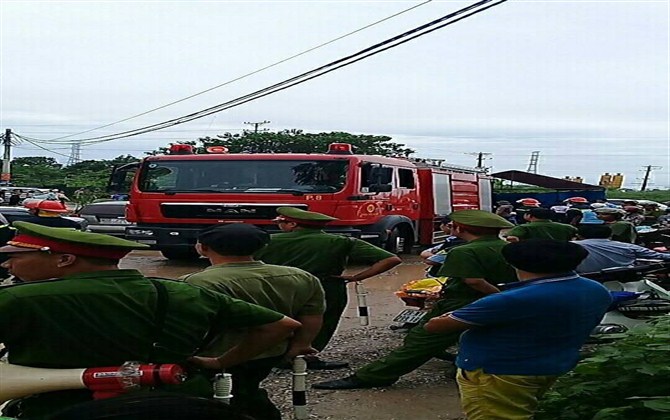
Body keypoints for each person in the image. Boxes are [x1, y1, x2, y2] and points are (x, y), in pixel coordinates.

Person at [0, 222, 301, 418]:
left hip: (64, 408)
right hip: (177, 406)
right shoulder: (181, 291)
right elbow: (281, 325)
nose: (7, 263)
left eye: (15, 256)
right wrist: (220, 362)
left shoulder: (17, 298)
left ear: (65, 259)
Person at [313, 210, 517, 390]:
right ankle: (462, 364)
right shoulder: (508, 248)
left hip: (463, 303)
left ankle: (373, 376)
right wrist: (505, 299)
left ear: (461, 228)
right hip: (497, 301)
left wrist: (497, 297)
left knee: (420, 340)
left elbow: (473, 280)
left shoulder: (464, 251)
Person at [424, 239, 612, 420]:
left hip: (499, 371)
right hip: (553, 364)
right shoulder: (596, 289)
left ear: (516, 264)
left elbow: (435, 326)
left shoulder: (512, 300)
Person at [181, 223, 325, 420]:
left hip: (216, 356)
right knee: (247, 390)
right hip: (272, 353)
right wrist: (301, 345)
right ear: (261, 247)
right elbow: (312, 315)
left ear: (203, 248)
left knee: (222, 398)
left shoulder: (197, 282)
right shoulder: (300, 276)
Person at [255, 207, 402, 369]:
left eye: (280, 222)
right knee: (322, 322)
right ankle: (305, 357)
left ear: (292, 224)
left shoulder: (268, 241)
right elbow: (391, 259)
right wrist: (357, 277)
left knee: (279, 319)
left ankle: (273, 355)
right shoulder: (341, 241)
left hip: (278, 287)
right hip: (327, 287)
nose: (278, 225)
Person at [574, 224, 670, 273]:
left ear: (580, 236)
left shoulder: (569, 246)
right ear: (610, 235)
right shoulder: (628, 246)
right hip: (625, 276)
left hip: (585, 276)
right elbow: (658, 256)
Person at [504, 207, 577, 242]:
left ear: (529, 216)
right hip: (561, 254)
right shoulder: (568, 227)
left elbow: (511, 238)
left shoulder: (523, 227)